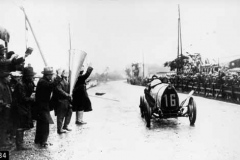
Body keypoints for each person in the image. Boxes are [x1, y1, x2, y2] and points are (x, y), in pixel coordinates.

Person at [34, 67, 60, 148]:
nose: (51, 76)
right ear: (47, 75)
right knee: (45, 123)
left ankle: (38, 140)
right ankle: (43, 141)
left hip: (41, 105)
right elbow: (51, 85)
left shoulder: (43, 80)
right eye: (51, 75)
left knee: (41, 123)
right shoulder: (43, 82)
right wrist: (58, 79)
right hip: (43, 105)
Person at [11, 66, 36, 150]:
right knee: (20, 126)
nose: (32, 77)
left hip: (24, 107)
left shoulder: (27, 83)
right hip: (19, 108)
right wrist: (32, 99)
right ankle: (19, 145)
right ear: (26, 76)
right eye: (30, 76)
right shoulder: (20, 84)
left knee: (23, 125)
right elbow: (22, 98)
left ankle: (20, 144)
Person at [54, 69, 72, 134]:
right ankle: (59, 129)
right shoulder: (59, 81)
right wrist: (67, 95)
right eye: (64, 72)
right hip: (61, 100)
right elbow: (59, 90)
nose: (66, 74)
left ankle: (65, 125)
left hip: (67, 100)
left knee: (69, 112)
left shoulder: (68, 80)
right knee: (60, 115)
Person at [0, 72, 13, 149]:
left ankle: (4, 140)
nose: (10, 78)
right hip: (2, 109)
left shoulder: (6, 84)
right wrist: (5, 104)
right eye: (8, 77)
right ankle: (3, 142)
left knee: (5, 124)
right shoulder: (0, 85)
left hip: (6, 108)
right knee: (3, 125)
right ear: (4, 78)